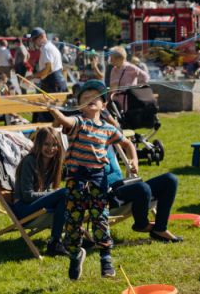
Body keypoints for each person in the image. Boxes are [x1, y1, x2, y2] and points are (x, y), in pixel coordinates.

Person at [47, 80, 136, 280]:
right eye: (84, 99)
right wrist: (54, 110)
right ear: (79, 106)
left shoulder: (108, 129)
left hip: (98, 180)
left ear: (103, 104)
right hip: (76, 180)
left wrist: (133, 160)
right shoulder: (78, 123)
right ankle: (75, 254)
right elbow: (65, 121)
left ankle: (106, 260)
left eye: (94, 97)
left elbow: (128, 144)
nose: (89, 101)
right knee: (73, 223)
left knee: (101, 220)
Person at [104, 147, 183, 243]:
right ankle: (142, 225)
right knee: (142, 188)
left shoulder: (107, 132)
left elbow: (128, 144)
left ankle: (160, 229)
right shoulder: (83, 142)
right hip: (106, 195)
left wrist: (134, 160)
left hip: (123, 185)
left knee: (170, 179)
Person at [12, 127, 69, 256]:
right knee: (64, 193)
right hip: (24, 210)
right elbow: (27, 196)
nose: (51, 148)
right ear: (38, 144)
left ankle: (57, 241)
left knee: (65, 196)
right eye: (46, 144)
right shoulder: (29, 161)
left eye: (54, 145)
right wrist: (53, 193)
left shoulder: (53, 163)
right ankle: (58, 241)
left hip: (37, 206)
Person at [108, 46, 150, 112]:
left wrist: (136, 89)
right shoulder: (114, 69)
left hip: (129, 103)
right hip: (116, 103)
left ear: (119, 58)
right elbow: (112, 86)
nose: (110, 60)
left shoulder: (131, 68)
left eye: (111, 58)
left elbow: (145, 77)